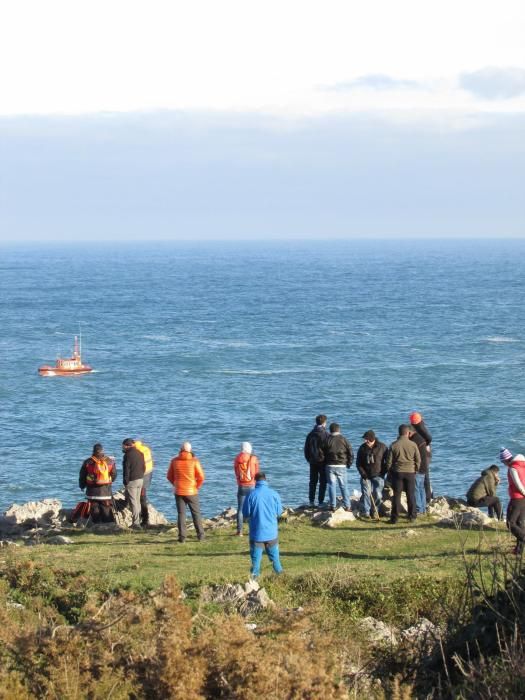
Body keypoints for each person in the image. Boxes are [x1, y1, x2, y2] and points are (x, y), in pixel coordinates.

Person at [242, 472, 283, 578]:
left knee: (256, 564)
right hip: (271, 533)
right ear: (266, 480)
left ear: (255, 481)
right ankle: (282, 579)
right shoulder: (274, 494)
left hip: (256, 534)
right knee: (276, 561)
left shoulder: (251, 495)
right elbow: (279, 512)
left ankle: (254, 585)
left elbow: (245, 513)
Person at [167, 441, 205, 542]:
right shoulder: (194, 461)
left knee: (181, 514)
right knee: (196, 513)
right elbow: (201, 477)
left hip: (179, 491)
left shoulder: (174, 461)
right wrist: (196, 486)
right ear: (190, 450)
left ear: (180, 449)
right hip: (192, 491)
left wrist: (175, 484)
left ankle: (182, 537)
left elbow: (169, 476)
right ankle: (200, 536)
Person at [386, 425, 421, 523]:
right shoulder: (413, 445)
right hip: (410, 472)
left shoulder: (394, 445)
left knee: (397, 495)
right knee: (411, 495)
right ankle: (412, 516)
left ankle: (394, 518)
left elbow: (389, 462)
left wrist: (390, 471)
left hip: (398, 472)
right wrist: (416, 470)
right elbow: (418, 460)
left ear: (399, 433)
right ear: (407, 433)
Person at [79, 443, 117, 523]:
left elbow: (82, 475)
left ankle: (97, 526)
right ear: (102, 451)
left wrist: (82, 486)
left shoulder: (88, 462)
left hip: (92, 491)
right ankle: (109, 525)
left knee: (94, 509)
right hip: (106, 491)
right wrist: (109, 481)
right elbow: (114, 474)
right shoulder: (109, 461)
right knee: (106, 509)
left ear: (93, 451)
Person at [355, 430, 388, 519]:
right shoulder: (362, 448)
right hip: (365, 476)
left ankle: (375, 510)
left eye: (366, 439)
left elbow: (388, 461)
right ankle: (366, 512)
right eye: (365, 439)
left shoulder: (382, 447)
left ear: (371, 439)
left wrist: (383, 472)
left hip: (378, 475)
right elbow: (358, 463)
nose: (365, 441)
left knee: (378, 494)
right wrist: (363, 474)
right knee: (366, 493)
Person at [324, 422, 354, 512]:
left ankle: (333, 506)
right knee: (343, 486)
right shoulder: (344, 439)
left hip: (330, 465)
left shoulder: (327, 439)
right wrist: (349, 463)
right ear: (339, 430)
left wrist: (324, 463)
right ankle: (347, 506)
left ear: (330, 430)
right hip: (341, 465)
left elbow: (322, 452)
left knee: (331, 485)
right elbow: (351, 453)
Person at [500, 447, 525, 554]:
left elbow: (518, 484)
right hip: (523, 499)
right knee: (520, 523)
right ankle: (518, 550)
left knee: (510, 523)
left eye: (502, 461)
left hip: (517, 498)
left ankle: (523, 538)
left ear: (505, 460)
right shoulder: (522, 466)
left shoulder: (512, 468)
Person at [233, 441, 260, 536]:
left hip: (241, 486)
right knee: (253, 509)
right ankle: (253, 530)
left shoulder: (237, 458)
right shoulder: (254, 458)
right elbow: (257, 473)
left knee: (240, 509)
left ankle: (239, 531)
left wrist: (239, 482)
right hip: (252, 485)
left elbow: (236, 473)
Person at [304, 414, 329, 507]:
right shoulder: (326, 434)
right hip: (323, 461)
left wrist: (308, 458)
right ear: (324, 423)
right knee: (323, 482)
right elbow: (328, 449)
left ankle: (311, 501)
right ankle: (321, 502)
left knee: (312, 481)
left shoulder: (310, 434)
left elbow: (306, 449)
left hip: (312, 461)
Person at [122, 438, 145, 529]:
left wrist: (125, 481)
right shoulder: (140, 453)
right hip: (140, 479)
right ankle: (138, 520)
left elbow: (126, 470)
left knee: (133, 502)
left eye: (123, 446)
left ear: (127, 445)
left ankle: (136, 523)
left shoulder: (127, 455)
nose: (122, 448)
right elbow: (144, 466)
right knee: (137, 501)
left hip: (132, 480)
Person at [409, 411, 433, 503]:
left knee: (424, 475)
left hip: (423, 454)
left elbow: (429, 438)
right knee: (425, 475)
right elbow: (429, 438)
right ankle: (427, 497)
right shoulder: (421, 426)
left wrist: (426, 444)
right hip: (425, 453)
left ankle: (427, 497)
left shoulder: (419, 428)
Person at [407, 425, 430, 515]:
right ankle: (423, 508)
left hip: (418, 468)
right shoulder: (421, 438)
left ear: (410, 432)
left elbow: (414, 456)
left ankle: (418, 509)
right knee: (421, 488)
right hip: (424, 467)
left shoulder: (414, 441)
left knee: (415, 488)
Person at [134, 439, 154, 526]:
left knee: (141, 498)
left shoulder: (138, 452)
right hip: (149, 473)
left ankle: (145, 519)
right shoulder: (146, 449)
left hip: (142, 475)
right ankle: (144, 518)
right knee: (142, 495)